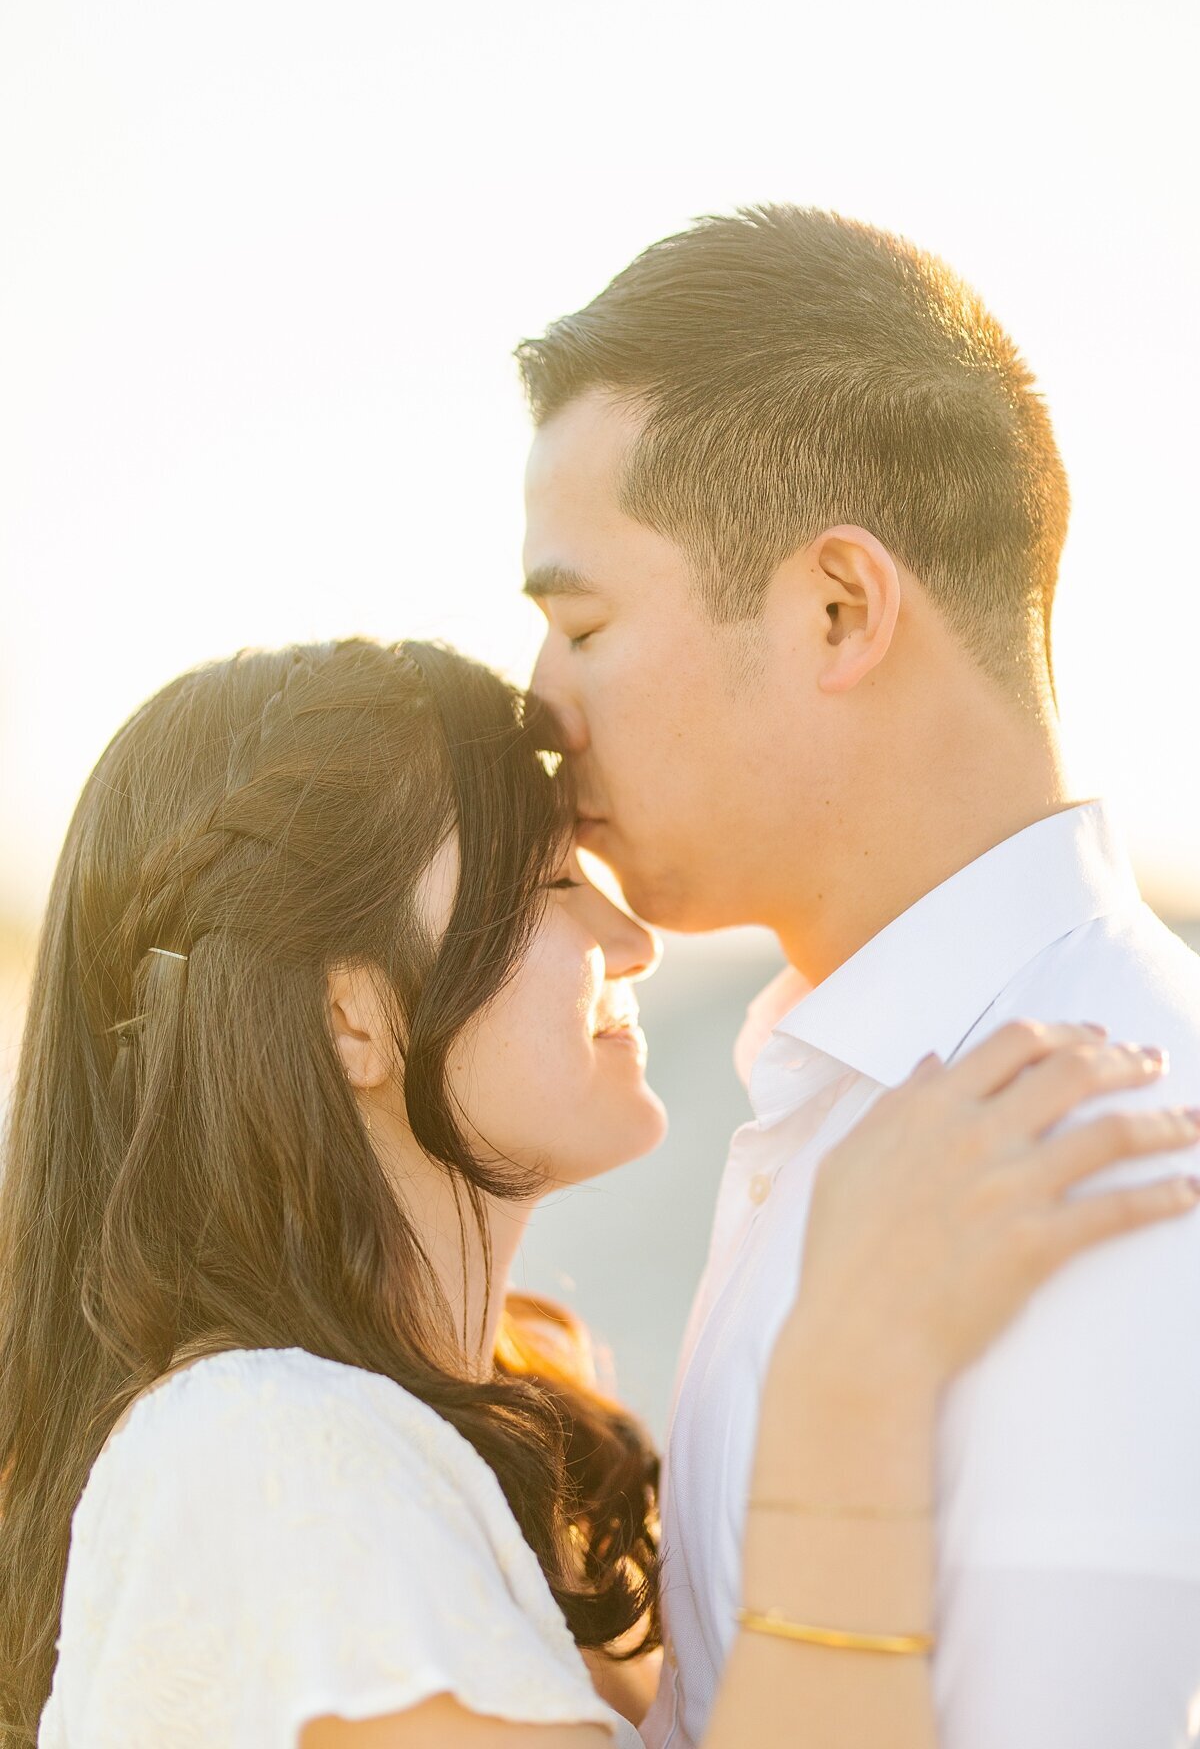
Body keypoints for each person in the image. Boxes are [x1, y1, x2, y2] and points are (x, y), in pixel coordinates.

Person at [1, 636, 1192, 1749]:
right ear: (345, 1012)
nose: (633, 941)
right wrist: (848, 1383)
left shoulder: (486, 1430)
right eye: (551, 878)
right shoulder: (263, 1449)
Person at [517, 204, 1200, 1748]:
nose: (538, 714)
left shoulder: (1108, 1141)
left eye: (581, 623)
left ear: (838, 608)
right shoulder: (865, 1092)